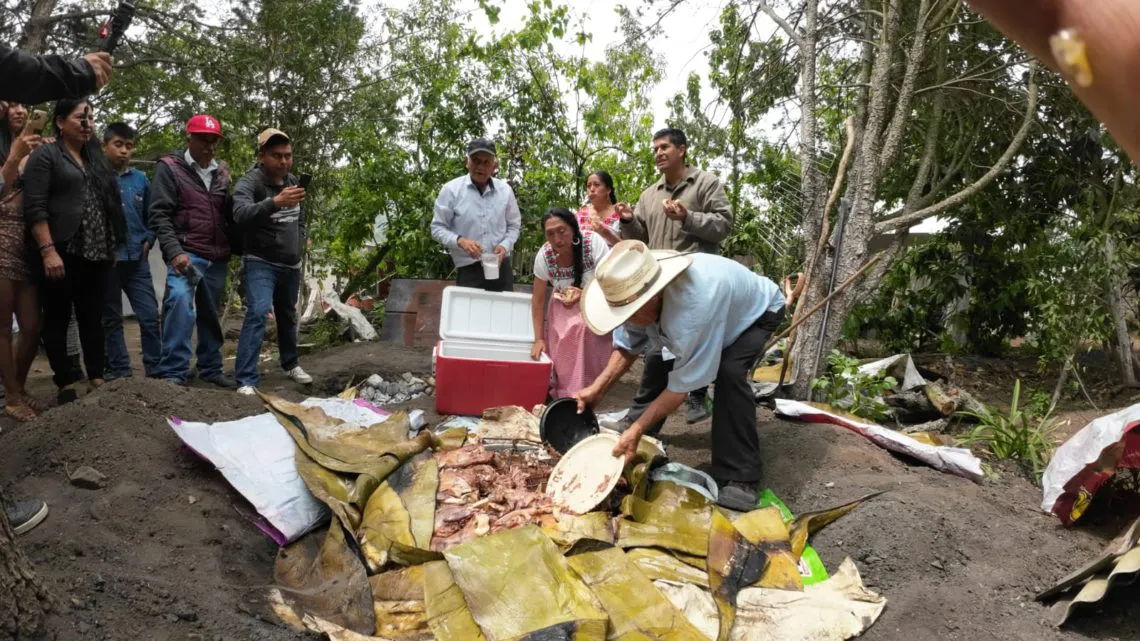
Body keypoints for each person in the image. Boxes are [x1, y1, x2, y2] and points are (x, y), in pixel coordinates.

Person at [573, 240, 785, 511]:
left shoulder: (692, 313)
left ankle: (741, 476)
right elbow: (628, 346)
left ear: (652, 298)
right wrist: (596, 390)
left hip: (758, 311)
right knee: (656, 355)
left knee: (729, 373)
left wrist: (635, 431)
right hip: (715, 309)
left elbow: (679, 390)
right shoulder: (635, 292)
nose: (626, 318)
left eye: (629, 314)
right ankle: (640, 430)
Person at [0, 44, 113, 537]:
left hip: (47, 247)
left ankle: (30, 386)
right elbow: (27, 200)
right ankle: (20, 391)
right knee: (16, 324)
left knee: (44, 323)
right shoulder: (34, 152)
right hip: (18, 241)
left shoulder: (77, 157)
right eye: (82, 116)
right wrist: (77, 72)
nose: (88, 125)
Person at [617, 127, 733, 427]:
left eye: (665, 147)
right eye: (655, 148)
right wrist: (628, 221)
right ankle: (644, 423)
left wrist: (687, 217)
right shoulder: (649, 194)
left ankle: (684, 402)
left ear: (681, 150)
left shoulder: (705, 183)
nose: (658, 153)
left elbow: (723, 225)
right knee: (658, 352)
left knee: (689, 347)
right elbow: (640, 236)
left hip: (695, 287)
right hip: (660, 287)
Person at [23, 97, 126, 403]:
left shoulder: (95, 158)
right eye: (81, 117)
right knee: (56, 315)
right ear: (60, 122)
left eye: (91, 118)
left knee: (92, 315)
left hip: (95, 250)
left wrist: (111, 243)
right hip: (60, 248)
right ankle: (65, 379)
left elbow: (108, 204)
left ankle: (96, 376)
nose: (88, 123)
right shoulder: (46, 155)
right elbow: (35, 206)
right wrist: (47, 250)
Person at [149, 114, 236, 387]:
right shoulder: (170, 168)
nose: (209, 147)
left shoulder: (221, 174)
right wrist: (174, 251)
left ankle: (211, 368)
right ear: (189, 138)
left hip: (216, 254)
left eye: (214, 141)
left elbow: (226, 213)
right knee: (180, 305)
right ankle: (174, 371)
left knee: (211, 312)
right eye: (203, 140)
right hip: (187, 253)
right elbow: (159, 214)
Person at [232, 128, 313, 395]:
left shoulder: (292, 182)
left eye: (288, 156)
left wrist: (299, 244)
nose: (284, 161)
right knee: (257, 312)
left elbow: (299, 218)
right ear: (262, 156)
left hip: (290, 264)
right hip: (261, 261)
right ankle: (245, 379)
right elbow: (240, 214)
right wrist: (274, 202)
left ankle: (290, 363)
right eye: (277, 155)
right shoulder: (250, 182)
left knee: (288, 315)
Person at [529, 208, 611, 399]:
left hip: (596, 301)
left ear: (573, 228)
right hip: (561, 306)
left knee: (582, 329)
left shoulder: (592, 243)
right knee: (563, 334)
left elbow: (609, 281)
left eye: (562, 230)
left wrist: (584, 294)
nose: (557, 239)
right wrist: (539, 339)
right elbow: (538, 300)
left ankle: (590, 387)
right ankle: (567, 390)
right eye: (550, 233)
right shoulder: (544, 256)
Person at [101, 122, 160, 380]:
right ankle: (120, 373)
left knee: (149, 317)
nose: (124, 151)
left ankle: (155, 370)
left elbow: (153, 215)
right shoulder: (95, 178)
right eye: (118, 145)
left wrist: (149, 239)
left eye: (129, 146)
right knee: (111, 320)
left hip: (137, 260)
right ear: (104, 147)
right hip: (107, 262)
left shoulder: (140, 179)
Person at [430, 137, 521, 292]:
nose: (481, 166)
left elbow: (514, 226)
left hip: (501, 267)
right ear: (467, 162)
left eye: (486, 162)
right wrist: (460, 241)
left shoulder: (505, 191)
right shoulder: (451, 190)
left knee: (503, 314)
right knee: (469, 315)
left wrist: (504, 246)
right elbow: (437, 228)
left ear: (495, 165)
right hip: (468, 269)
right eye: (476, 160)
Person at [0, 127, 45, 420]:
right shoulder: (5, 180)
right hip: (1, 255)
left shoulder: (35, 188)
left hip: (26, 259)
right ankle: (13, 395)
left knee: (31, 327)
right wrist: (16, 157)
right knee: (2, 328)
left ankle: (16, 384)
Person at [576, 170, 622, 247]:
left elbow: (631, 247)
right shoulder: (580, 215)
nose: (592, 189)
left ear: (608, 190)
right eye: (588, 186)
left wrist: (606, 233)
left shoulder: (621, 213)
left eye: (596, 184)